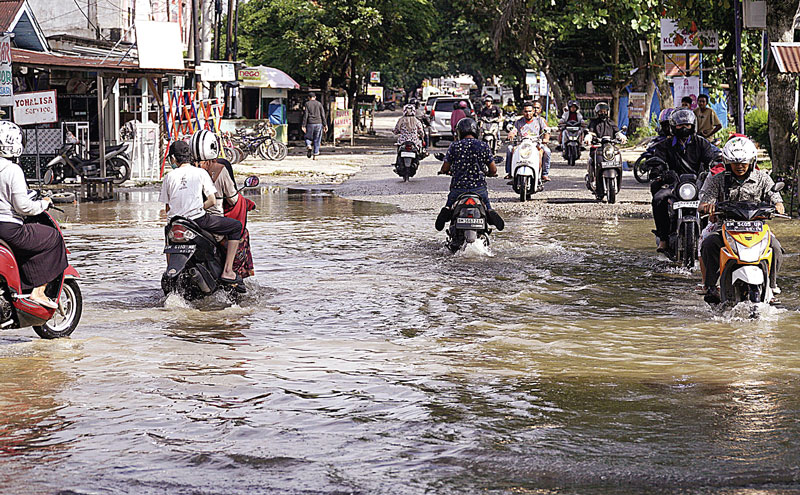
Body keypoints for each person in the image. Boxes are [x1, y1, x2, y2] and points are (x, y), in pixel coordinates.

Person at [697, 137, 784, 303]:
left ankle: (772, 287)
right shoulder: (718, 179)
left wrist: (778, 204)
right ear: (727, 162)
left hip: (757, 228)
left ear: (751, 161)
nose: (740, 166)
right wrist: (708, 207)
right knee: (708, 244)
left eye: (744, 162)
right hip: (725, 227)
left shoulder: (763, 178)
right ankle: (710, 286)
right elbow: (704, 202)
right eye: (735, 163)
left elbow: (775, 196)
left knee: (776, 247)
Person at [0, 121, 66, 309]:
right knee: (52, 238)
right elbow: (23, 207)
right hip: (9, 229)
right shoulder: (12, 170)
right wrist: (43, 204)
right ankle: (38, 291)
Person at [160, 140, 243, 284]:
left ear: (173, 158)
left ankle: (170, 270)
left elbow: (168, 209)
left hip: (175, 223)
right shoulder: (200, 173)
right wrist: (197, 207)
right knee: (236, 226)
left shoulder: (168, 177)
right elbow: (212, 200)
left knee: (168, 234)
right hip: (198, 220)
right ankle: (228, 270)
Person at [647, 108, 720, 252]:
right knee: (658, 199)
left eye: (687, 125)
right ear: (673, 126)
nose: (684, 128)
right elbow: (657, 161)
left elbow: (711, 159)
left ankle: (711, 235)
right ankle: (663, 239)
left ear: (693, 125)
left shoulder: (701, 143)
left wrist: (713, 168)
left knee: (713, 202)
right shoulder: (664, 145)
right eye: (680, 125)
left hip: (697, 186)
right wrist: (660, 171)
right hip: (674, 186)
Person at [435, 118, 504, 232]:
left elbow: (445, 167)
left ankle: (446, 210)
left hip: (458, 188)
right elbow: (494, 169)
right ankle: (489, 212)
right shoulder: (483, 145)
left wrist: (444, 171)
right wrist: (490, 173)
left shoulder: (454, 146)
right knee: (486, 204)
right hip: (478, 188)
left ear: (459, 132)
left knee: (450, 203)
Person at [584, 102, 627, 194]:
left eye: (604, 111)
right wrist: (588, 138)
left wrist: (621, 136)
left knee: (617, 153)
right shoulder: (593, 123)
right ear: (597, 112)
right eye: (601, 111)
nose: (603, 113)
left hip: (609, 148)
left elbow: (617, 132)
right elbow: (590, 133)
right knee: (592, 159)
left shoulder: (611, 123)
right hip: (597, 147)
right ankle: (593, 178)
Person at [506, 101, 551, 181]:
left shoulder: (539, 120)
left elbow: (546, 131)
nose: (528, 113)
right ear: (523, 112)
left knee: (546, 151)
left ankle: (544, 174)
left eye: (530, 111)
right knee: (510, 149)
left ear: (533, 111)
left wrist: (546, 138)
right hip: (521, 144)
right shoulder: (519, 122)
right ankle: (510, 173)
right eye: (526, 111)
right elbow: (514, 130)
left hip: (536, 144)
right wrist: (511, 134)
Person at [302, 92, 327, 159]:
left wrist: (303, 125)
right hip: (319, 123)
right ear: (315, 97)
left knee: (308, 137)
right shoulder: (319, 104)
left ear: (308, 98)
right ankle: (315, 154)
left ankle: (309, 145)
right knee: (317, 139)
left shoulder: (307, 104)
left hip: (310, 123)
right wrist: (325, 125)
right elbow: (322, 115)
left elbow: (305, 115)